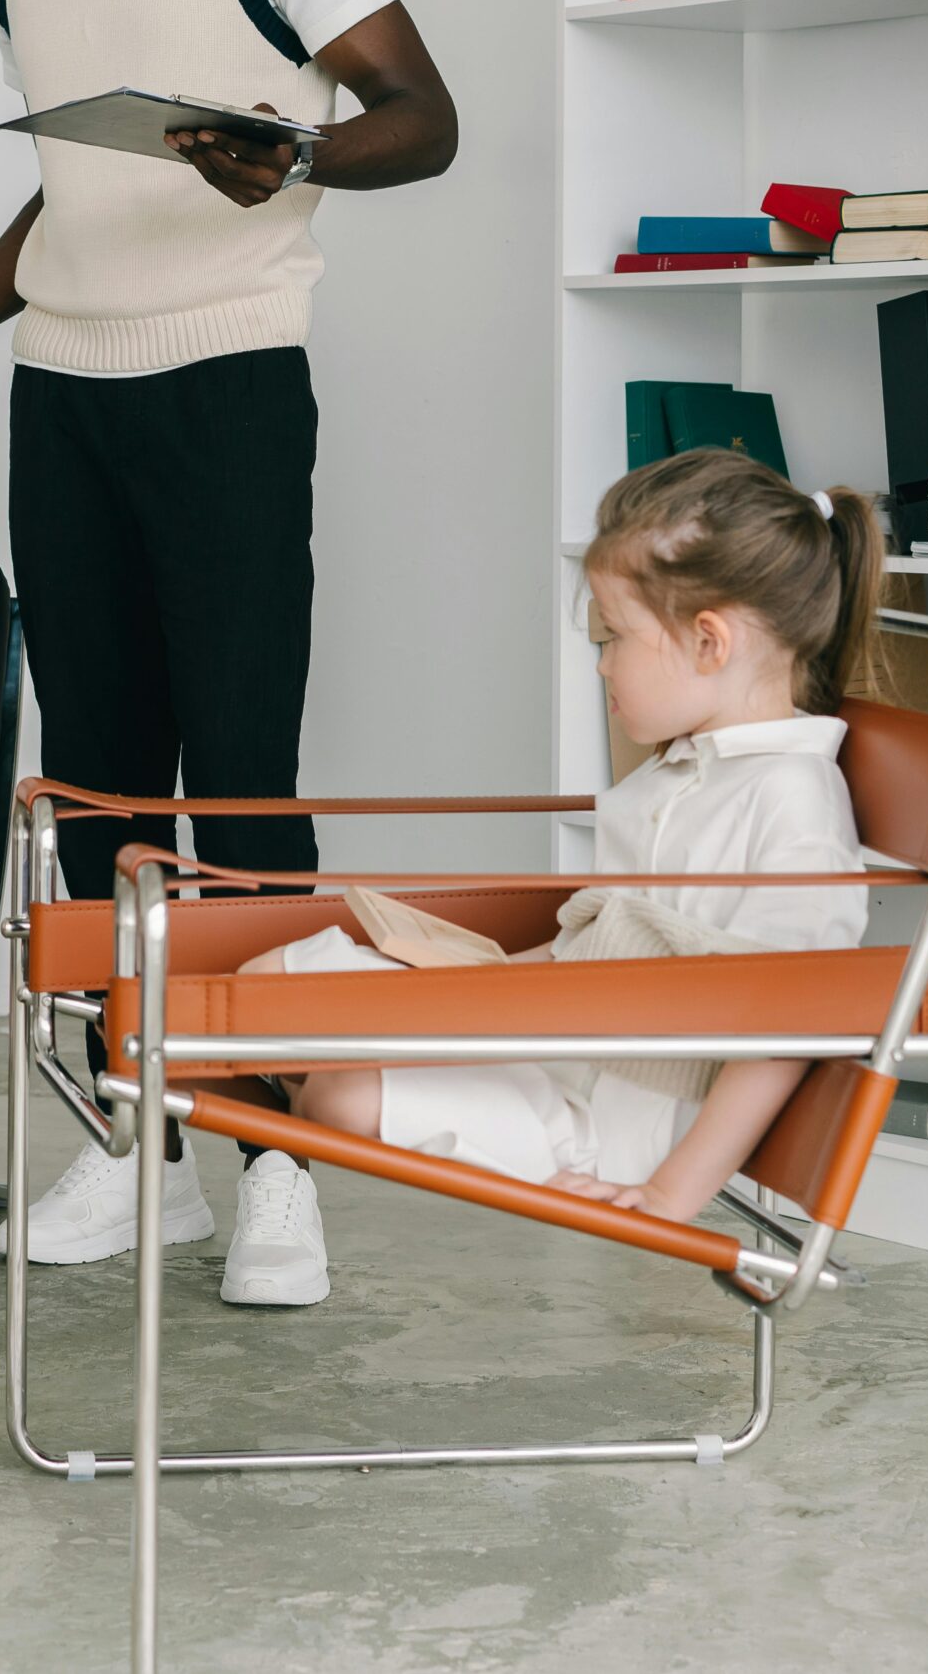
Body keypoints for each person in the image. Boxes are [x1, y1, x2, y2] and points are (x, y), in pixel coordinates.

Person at [0, 0, 458, 1304]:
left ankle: (275, 1157)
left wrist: (299, 154)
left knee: (238, 788)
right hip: (63, 402)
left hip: (231, 386)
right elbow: (76, 192)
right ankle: (141, 1144)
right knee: (100, 794)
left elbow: (427, 117)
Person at [237, 450, 883, 1300]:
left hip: (605, 1119)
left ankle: (350, 1056)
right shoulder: (677, 769)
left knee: (340, 1099)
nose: (602, 663)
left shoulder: (794, 805)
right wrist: (468, 985)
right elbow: (604, 946)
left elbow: (788, 1030)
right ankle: (355, 1034)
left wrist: (668, 1195)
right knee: (272, 981)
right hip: (556, 1040)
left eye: (613, 637)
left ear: (709, 640)